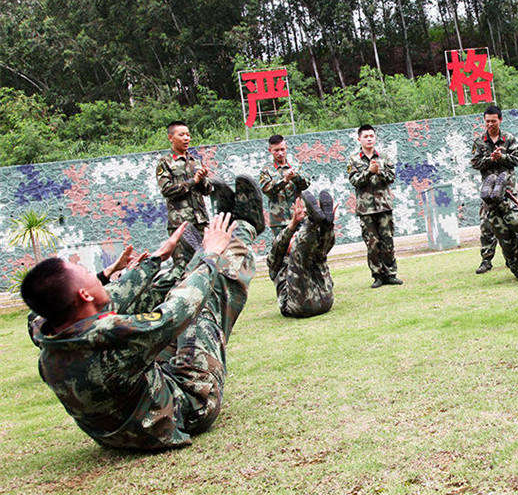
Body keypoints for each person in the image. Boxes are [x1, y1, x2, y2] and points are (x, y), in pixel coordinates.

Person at [22, 181, 264, 449]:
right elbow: (175, 313)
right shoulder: (110, 335)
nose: (100, 279)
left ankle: (205, 247)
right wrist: (210, 254)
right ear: (85, 295)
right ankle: (243, 229)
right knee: (206, 299)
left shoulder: (49, 338)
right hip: (180, 411)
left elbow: (116, 295)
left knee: (163, 288)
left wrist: (156, 259)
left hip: (123, 427)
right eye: (91, 277)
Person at [347, 124, 402, 288]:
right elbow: (354, 181)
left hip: (384, 206)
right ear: (359, 139)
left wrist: (380, 172)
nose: (369, 139)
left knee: (388, 241)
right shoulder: (354, 159)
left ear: (375, 137)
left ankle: (391, 274)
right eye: (366, 136)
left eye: (371, 136)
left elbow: (391, 177)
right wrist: (369, 172)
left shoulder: (384, 156)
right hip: (366, 209)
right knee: (372, 243)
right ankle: (377, 275)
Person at [155, 120, 213, 278]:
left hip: (200, 222)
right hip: (180, 224)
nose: (186, 138)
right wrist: (192, 182)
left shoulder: (195, 161)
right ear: (171, 138)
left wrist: (202, 180)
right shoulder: (165, 163)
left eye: (188, 134)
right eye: (181, 135)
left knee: (205, 265)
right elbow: (167, 190)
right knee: (182, 268)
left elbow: (207, 190)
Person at [268, 191, 335, 318]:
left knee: (320, 254)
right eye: (292, 237)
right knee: (300, 254)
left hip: (325, 300)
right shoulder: (276, 264)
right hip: (299, 306)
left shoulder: (308, 254)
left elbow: (326, 246)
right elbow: (278, 246)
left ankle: (325, 224)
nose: (295, 238)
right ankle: (313, 221)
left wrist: (328, 226)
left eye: (296, 237)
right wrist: (293, 224)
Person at [471, 105, 518, 274]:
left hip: (508, 189)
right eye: (487, 121)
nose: (490, 124)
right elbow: (475, 163)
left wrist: (503, 156)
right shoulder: (479, 141)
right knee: (486, 224)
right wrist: (491, 159)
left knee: (512, 222)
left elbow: (517, 159)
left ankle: (512, 257)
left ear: (500, 120)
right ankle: (486, 260)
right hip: (489, 190)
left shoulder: (509, 139)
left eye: (493, 121)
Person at [259, 134, 310, 240]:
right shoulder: (266, 170)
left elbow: (306, 184)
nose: (280, 153)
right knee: (282, 251)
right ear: (270, 150)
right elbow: (267, 190)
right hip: (279, 221)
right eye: (276, 150)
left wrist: (295, 177)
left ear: (286, 148)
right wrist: (284, 180)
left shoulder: (295, 165)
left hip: (299, 215)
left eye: (282, 149)